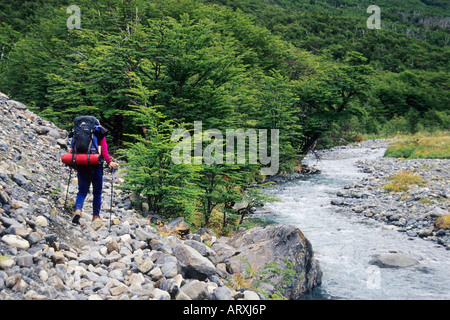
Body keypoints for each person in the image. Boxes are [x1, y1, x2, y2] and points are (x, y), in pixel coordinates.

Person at [72, 119, 117, 225]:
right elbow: (104, 151)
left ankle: (77, 210)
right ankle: (96, 216)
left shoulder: (77, 132)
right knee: (97, 192)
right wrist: (109, 161)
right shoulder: (98, 132)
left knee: (82, 192)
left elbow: (72, 149)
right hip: (96, 164)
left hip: (81, 164)